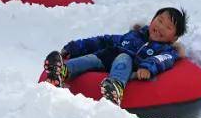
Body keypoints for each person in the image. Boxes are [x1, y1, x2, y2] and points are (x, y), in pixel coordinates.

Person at [43, 8, 188, 105]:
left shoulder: (167, 50)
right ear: (152, 21)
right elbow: (103, 40)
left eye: (168, 27)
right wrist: (74, 47)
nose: (161, 27)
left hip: (128, 68)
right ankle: (61, 71)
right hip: (106, 58)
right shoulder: (133, 36)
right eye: (160, 20)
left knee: (124, 57)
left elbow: (162, 60)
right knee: (91, 58)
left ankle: (115, 87)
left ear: (174, 38)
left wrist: (147, 67)